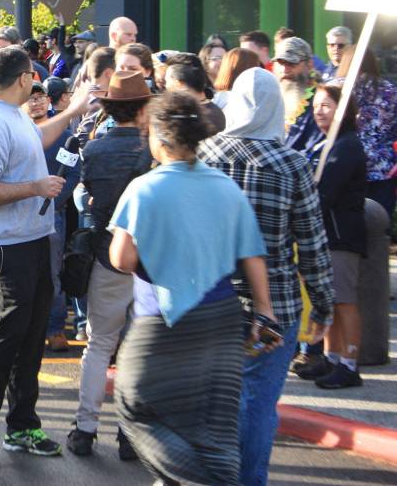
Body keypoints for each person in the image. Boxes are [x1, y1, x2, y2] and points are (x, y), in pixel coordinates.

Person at [109, 90, 280, 486]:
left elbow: (122, 259)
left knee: (136, 404)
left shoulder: (144, 188)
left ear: (158, 136)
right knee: (212, 428)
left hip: (162, 323)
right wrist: (265, 310)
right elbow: (252, 253)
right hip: (221, 320)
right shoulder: (224, 186)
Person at [197, 67, 333, 486]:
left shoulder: (203, 155)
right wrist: (324, 304)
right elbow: (311, 244)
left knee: (212, 401)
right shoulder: (293, 164)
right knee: (257, 404)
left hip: (207, 300)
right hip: (274, 306)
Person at [0, 46, 88, 463]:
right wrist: (35, 187)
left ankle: (23, 425)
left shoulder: (12, 114)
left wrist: (73, 113)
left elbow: (37, 137)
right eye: (33, 76)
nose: (37, 83)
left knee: (31, 337)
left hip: (32, 240)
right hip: (2, 246)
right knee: (7, 335)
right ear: (23, 78)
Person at [67, 70, 152, 461]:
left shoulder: (94, 150)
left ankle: (85, 429)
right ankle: (129, 433)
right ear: (143, 108)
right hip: (150, 262)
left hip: (106, 253)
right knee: (138, 350)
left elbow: (81, 196)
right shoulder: (154, 151)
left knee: (99, 345)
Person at [293, 85, 367, 389]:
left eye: (327, 105)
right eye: (317, 105)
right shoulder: (324, 143)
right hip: (325, 234)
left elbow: (325, 192)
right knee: (330, 299)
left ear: (343, 109)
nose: (319, 111)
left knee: (344, 300)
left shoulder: (346, 146)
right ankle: (331, 356)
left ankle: (350, 363)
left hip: (340, 234)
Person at [22, 81, 79, 353]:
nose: (37, 102)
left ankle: (55, 328)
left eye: (41, 97)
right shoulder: (17, 133)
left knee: (53, 273)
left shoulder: (63, 135)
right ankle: (26, 327)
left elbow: (73, 173)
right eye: (31, 98)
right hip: (19, 212)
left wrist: (56, 200)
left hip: (53, 215)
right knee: (23, 272)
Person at [335, 47, 397, 217]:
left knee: (348, 227)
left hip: (346, 166)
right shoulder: (389, 91)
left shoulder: (338, 88)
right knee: (378, 228)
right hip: (383, 169)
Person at [273, 37, 319, 153]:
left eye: (291, 63)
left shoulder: (320, 101)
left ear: (309, 64)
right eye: (280, 62)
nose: (285, 69)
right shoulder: (272, 98)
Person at [164, 60, 225, 134]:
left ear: (179, 84)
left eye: (167, 81)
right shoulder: (216, 110)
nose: (165, 86)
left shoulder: (186, 117)